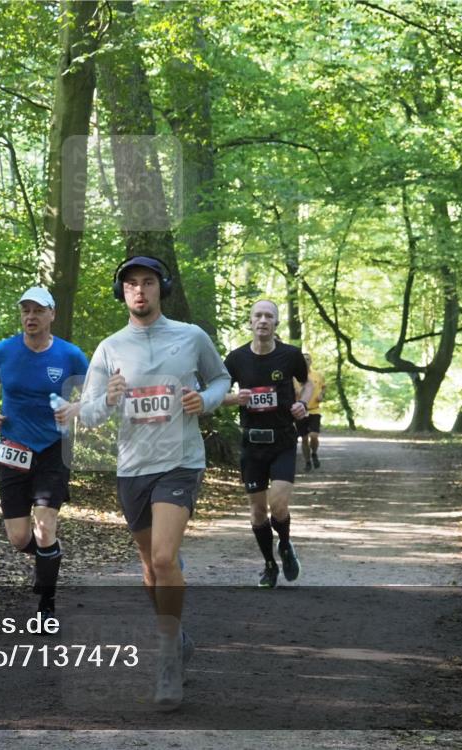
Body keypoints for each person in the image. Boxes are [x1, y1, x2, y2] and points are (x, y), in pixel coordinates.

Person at [70, 256, 231, 710]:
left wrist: (208, 399)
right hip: (133, 468)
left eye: (148, 283)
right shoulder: (109, 348)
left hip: (179, 462)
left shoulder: (191, 337)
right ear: (122, 293)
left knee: (164, 557)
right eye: (131, 285)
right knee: (149, 564)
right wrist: (108, 398)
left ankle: (165, 660)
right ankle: (176, 636)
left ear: (162, 289)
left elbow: (220, 378)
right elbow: (92, 414)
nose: (139, 291)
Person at [0, 287, 89, 627]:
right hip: (14, 448)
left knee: (44, 527)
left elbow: (94, 396)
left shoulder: (70, 355)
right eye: (26, 310)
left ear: (51, 315)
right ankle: (50, 557)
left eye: (38, 311)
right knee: (19, 538)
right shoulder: (3, 351)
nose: (31, 316)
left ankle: (46, 605)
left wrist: (75, 408)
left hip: (52, 450)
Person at [222, 300, 311, 589]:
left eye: (269, 316)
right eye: (258, 316)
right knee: (258, 511)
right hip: (251, 445)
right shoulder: (235, 359)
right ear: (250, 322)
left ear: (276, 324)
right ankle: (269, 564)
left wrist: (302, 403)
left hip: (283, 440)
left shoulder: (290, 355)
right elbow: (215, 394)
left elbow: (307, 383)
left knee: (278, 504)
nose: (263, 320)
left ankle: (284, 545)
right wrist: (235, 398)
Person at [294, 352, 325, 471]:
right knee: (304, 438)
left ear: (311, 361)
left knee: (314, 435)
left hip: (314, 410)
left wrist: (321, 394)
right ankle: (307, 462)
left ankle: (314, 453)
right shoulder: (294, 377)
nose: (306, 361)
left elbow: (323, 387)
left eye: (308, 359)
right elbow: (293, 393)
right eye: (303, 359)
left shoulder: (318, 376)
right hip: (300, 411)